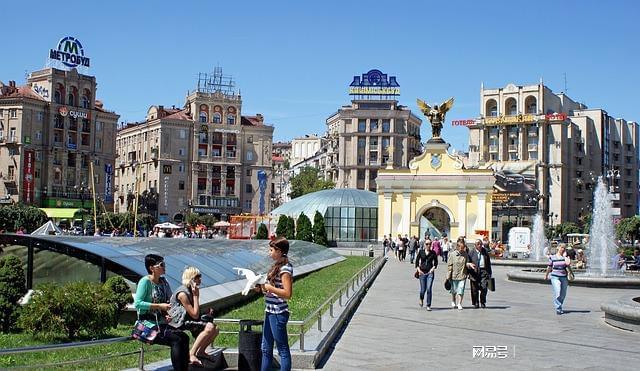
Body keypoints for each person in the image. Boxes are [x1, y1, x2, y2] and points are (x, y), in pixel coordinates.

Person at [134, 254, 190, 371]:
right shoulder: (145, 282)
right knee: (177, 339)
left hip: (160, 323)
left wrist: (166, 314)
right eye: (161, 265)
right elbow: (138, 304)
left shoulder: (163, 283)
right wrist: (159, 306)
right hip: (146, 324)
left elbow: (165, 303)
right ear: (151, 268)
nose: (164, 267)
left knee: (184, 337)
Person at [169, 267, 219, 366]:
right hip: (178, 322)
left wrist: (206, 312)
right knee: (210, 327)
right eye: (197, 277)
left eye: (200, 276)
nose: (200, 279)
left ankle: (201, 352)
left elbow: (195, 312)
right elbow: (195, 315)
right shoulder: (182, 293)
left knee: (216, 329)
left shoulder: (191, 290)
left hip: (188, 318)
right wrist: (196, 296)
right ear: (191, 279)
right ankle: (191, 354)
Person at [256, 237, 293, 371]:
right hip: (270, 310)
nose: (269, 252)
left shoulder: (285, 269)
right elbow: (273, 290)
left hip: (278, 313)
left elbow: (287, 293)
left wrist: (269, 288)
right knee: (265, 349)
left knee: (282, 349)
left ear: (279, 251)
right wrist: (261, 288)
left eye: (271, 250)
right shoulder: (276, 266)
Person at [447, 238, 474, 310]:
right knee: (454, 290)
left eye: (463, 247)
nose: (462, 249)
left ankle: (459, 303)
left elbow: (467, 262)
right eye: (461, 248)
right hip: (454, 275)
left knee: (461, 290)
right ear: (457, 247)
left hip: (462, 275)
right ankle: (453, 300)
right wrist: (448, 276)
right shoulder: (452, 254)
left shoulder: (465, 254)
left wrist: (469, 264)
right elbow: (449, 265)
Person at [544, 243, 571, 315]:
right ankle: (558, 308)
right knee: (558, 290)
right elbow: (549, 267)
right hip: (555, 277)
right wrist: (546, 275)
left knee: (563, 293)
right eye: (562, 247)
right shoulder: (552, 257)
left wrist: (568, 262)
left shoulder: (565, 258)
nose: (563, 249)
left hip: (564, 277)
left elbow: (568, 267)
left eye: (564, 248)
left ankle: (560, 305)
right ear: (558, 248)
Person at [468, 239, 493, 309]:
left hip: (483, 272)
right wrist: (469, 267)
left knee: (484, 287)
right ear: (475, 245)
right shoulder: (471, 252)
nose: (480, 245)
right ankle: (476, 302)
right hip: (474, 272)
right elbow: (468, 262)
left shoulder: (485, 252)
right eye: (478, 244)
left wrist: (490, 273)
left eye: (480, 244)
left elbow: (488, 263)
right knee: (474, 289)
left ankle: (483, 302)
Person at [415, 239, 438, 311]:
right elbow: (416, 262)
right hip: (422, 273)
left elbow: (436, 262)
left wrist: (433, 268)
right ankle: (421, 298)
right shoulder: (421, 252)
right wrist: (419, 270)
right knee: (422, 290)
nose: (428, 245)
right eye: (427, 244)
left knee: (429, 289)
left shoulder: (433, 253)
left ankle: (428, 305)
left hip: (430, 273)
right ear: (424, 244)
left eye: (430, 244)